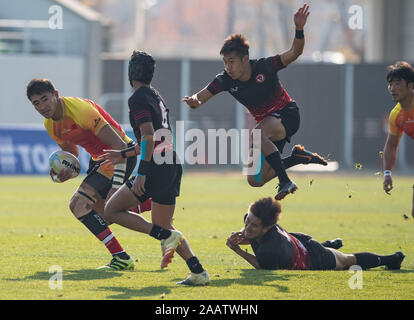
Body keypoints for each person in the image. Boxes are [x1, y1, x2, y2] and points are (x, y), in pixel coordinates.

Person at [183, 4, 327, 200]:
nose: (228, 67)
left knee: (257, 134)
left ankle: (285, 181)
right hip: (267, 130)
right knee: (255, 179)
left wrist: (299, 29)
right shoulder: (224, 80)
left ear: (245, 59)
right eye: (225, 62)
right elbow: (200, 98)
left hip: (288, 115)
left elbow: (295, 52)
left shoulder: (265, 67)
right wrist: (193, 101)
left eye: (232, 61)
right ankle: (296, 158)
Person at [99, 51, 210, 286]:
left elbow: (149, 136)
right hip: (170, 161)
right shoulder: (155, 96)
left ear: (131, 73)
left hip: (156, 166)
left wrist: (142, 171)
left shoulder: (137, 98)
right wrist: (124, 154)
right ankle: (198, 272)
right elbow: (155, 138)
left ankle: (165, 237)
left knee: (111, 211)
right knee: (164, 225)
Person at [26, 78, 152, 270]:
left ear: (56, 95)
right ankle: (155, 202)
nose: (42, 106)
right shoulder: (51, 126)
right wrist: (67, 170)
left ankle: (121, 258)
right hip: (99, 161)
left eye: (45, 99)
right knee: (102, 216)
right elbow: (72, 154)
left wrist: (116, 187)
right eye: (36, 103)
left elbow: (119, 146)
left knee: (78, 204)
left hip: (119, 155)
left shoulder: (81, 111)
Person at [226, 197, 405, 271]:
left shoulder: (270, 250)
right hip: (298, 240)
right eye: (247, 220)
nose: (247, 226)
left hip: (313, 256)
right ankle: (329, 244)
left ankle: (391, 260)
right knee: (329, 249)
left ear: (266, 227)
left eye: (253, 225)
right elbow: (252, 235)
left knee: (347, 260)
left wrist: (237, 249)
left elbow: (261, 266)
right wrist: (242, 234)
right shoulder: (259, 222)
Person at [382, 61, 414, 217]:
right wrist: (387, 172)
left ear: (410, 86)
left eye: (398, 83)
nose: (393, 88)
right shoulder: (396, 115)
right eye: (390, 84)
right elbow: (391, 146)